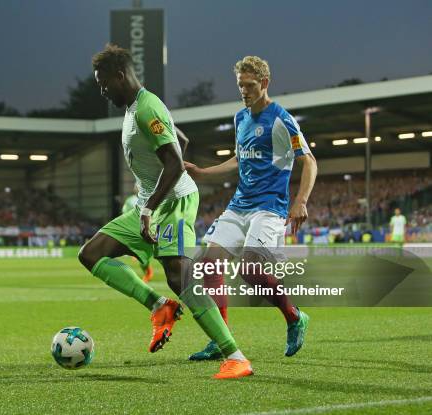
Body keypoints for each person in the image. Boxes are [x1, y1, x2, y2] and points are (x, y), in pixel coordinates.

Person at [78, 44, 252, 379]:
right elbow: (180, 140)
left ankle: (235, 356)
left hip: (173, 203)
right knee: (92, 254)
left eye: (103, 83)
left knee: (179, 275)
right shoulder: (133, 109)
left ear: (119, 75)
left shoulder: (146, 108)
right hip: (151, 202)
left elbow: (174, 162)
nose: (101, 90)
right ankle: (159, 306)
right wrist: (147, 203)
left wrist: (148, 209)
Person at [185, 56, 317, 360]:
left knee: (249, 269)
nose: (244, 91)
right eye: (240, 85)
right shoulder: (240, 118)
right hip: (239, 204)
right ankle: (222, 341)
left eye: (250, 85)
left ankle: (294, 316)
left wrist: (301, 201)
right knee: (209, 264)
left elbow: (308, 160)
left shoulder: (281, 119)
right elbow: (239, 159)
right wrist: (203, 172)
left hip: (269, 207)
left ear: (265, 83)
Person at [122, 185, 154, 282]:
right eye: (136, 186)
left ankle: (148, 270)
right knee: (141, 255)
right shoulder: (130, 201)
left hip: (150, 227)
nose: (137, 188)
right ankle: (148, 271)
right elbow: (125, 214)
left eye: (139, 187)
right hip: (136, 229)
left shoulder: (150, 198)